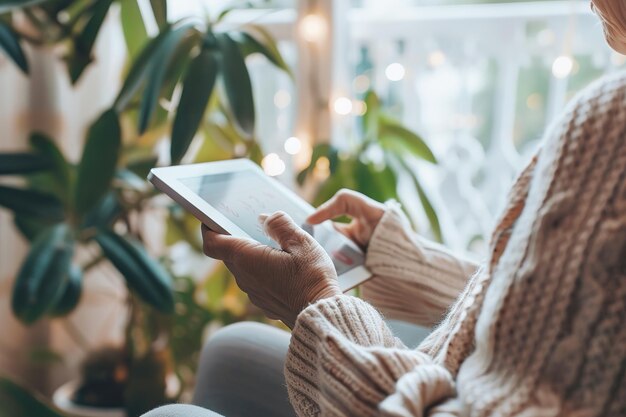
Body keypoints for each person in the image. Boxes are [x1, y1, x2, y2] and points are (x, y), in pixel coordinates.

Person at [143, 1, 626, 415]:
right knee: (231, 351)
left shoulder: (612, 126)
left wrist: (313, 301)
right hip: (446, 375)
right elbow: (555, 312)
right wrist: (405, 263)